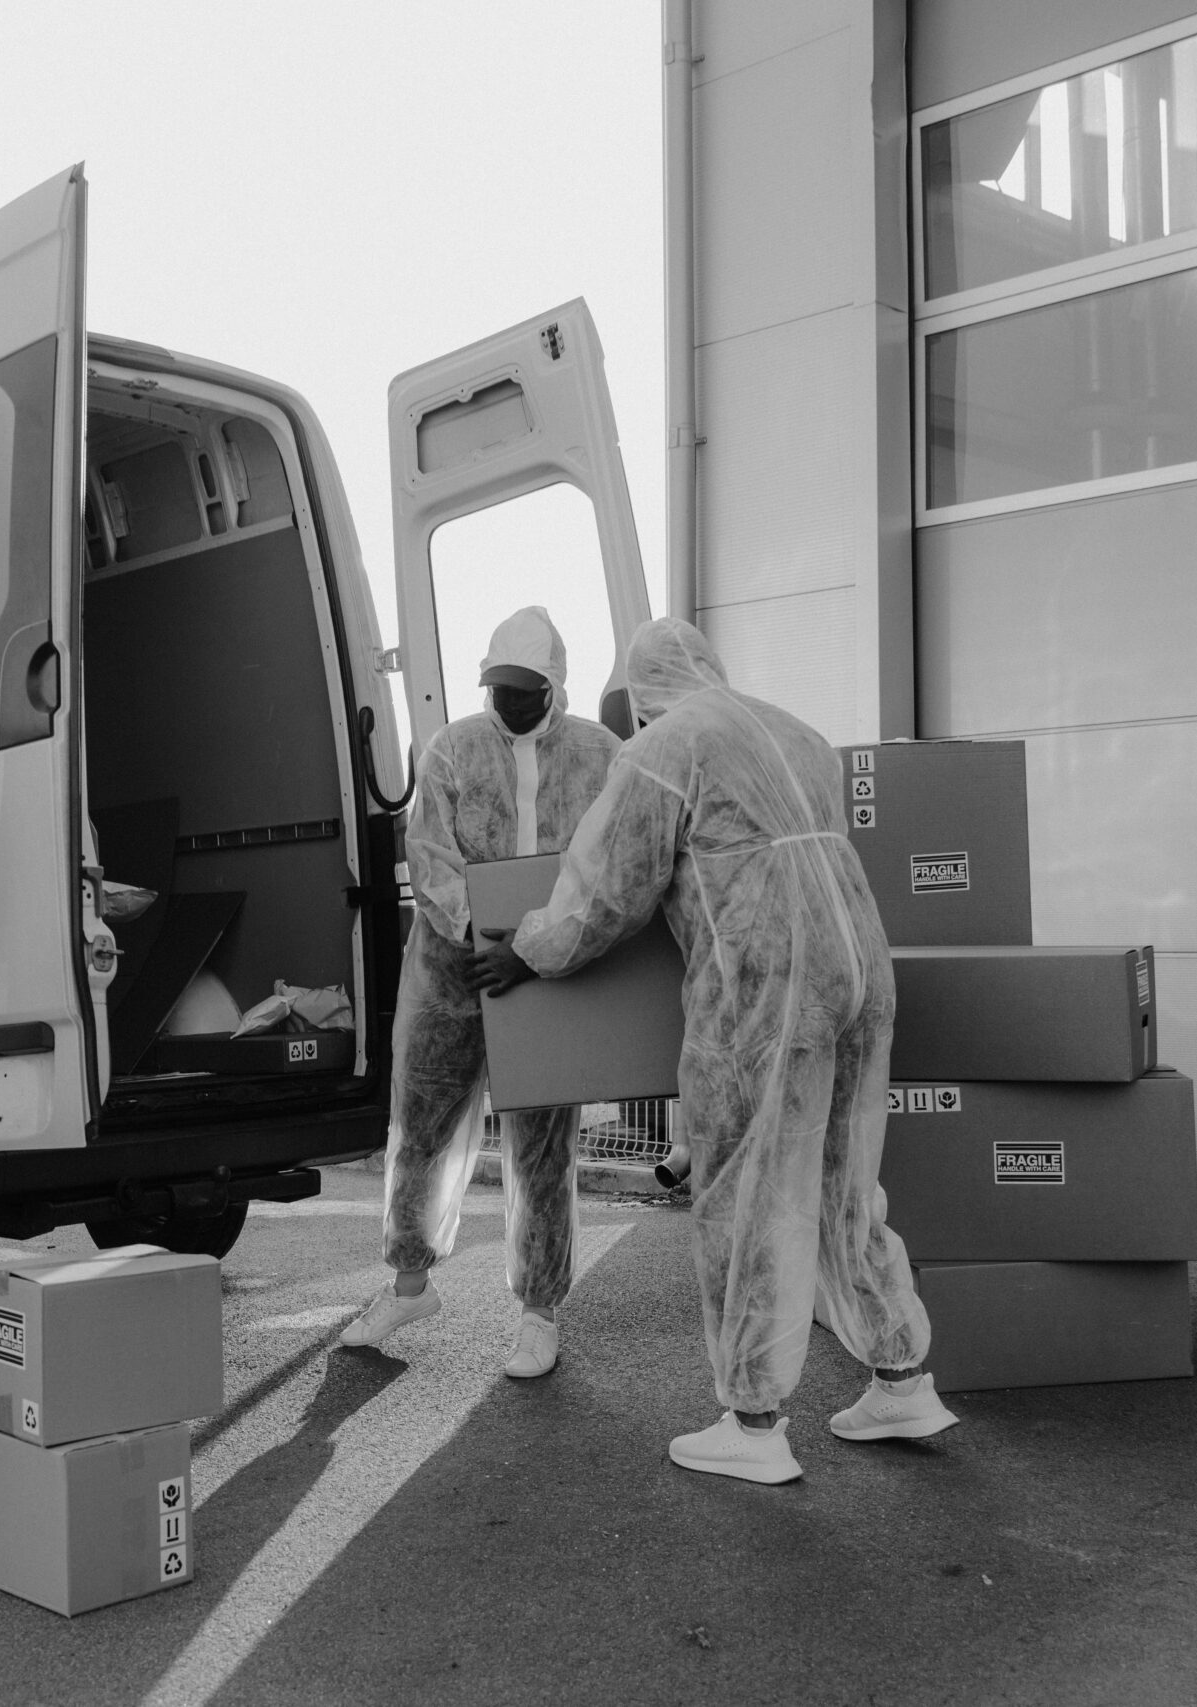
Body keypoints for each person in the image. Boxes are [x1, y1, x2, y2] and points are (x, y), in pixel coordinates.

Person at [468, 617, 958, 1483]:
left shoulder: (667, 747)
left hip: (767, 981)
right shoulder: (797, 733)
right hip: (861, 971)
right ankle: (900, 1376)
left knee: (747, 1191)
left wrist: (527, 948)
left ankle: (755, 1420)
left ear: (645, 694)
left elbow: (606, 887)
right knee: (846, 1183)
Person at [340, 607, 623, 1378]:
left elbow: (608, 865)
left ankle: (539, 1310)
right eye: (498, 685)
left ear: (553, 686)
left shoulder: (601, 755)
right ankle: (407, 1281)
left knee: (541, 1144)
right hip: (453, 968)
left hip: (547, 973)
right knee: (424, 1119)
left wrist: (533, 950)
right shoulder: (454, 748)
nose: (508, 700)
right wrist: (481, 933)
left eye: (524, 689)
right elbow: (430, 854)